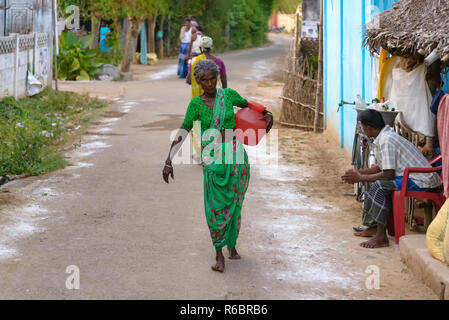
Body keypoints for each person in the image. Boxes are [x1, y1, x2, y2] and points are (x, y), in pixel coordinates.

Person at [162, 59, 274, 272]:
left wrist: (267, 114)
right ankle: (218, 252)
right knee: (215, 205)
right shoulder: (195, 104)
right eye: (205, 80)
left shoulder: (228, 95)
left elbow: (250, 106)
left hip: (236, 158)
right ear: (199, 82)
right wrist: (169, 160)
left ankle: (231, 245)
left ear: (217, 77)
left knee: (235, 202)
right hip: (213, 160)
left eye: (213, 78)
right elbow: (183, 131)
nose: (210, 83)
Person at [342, 109, 442, 249]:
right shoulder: (383, 137)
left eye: (362, 127)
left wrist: (360, 177)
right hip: (410, 176)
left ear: (368, 128)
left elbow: (387, 175)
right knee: (372, 182)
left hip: (421, 180)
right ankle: (373, 226)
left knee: (379, 185)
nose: (362, 130)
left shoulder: (387, 141)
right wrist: (359, 173)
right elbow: (381, 167)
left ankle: (382, 237)